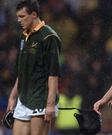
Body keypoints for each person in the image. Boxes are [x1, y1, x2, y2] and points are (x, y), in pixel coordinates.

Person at [6, 0, 61, 135]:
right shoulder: (24, 36)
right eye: (18, 17)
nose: (19, 20)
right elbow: (22, 71)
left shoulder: (49, 37)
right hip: (24, 98)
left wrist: (50, 104)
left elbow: (53, 73)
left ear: (34, 15)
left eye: (22, 16)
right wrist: (13, 96)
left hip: (41, 99)